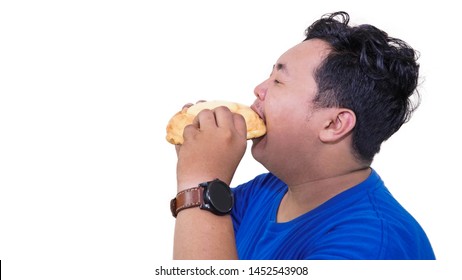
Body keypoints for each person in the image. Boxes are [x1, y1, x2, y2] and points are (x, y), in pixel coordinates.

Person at [170, 11, 435, 260]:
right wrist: (195, 162)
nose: (258, 89)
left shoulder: (373, 245)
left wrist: (201, 181)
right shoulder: (264, 192)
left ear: (333, 124)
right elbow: (200, 232)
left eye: (278, 82)